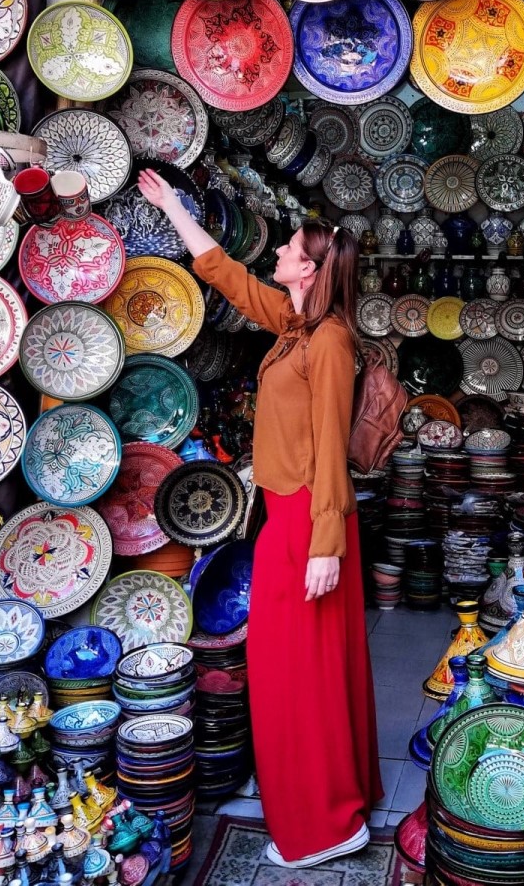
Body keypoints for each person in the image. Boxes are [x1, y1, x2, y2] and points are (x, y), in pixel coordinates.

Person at [138, 169, 382, 868]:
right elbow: (226, 277)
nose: (273, 255)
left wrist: (325, 543)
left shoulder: (328, 341)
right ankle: (337, 804)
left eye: (285, 251)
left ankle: (326, 825)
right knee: (301, 669)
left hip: (309, 522)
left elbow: (333, 447)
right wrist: (176, 210)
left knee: (292, 672)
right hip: (290, 519)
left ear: (308, 269)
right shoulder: (297, 327)